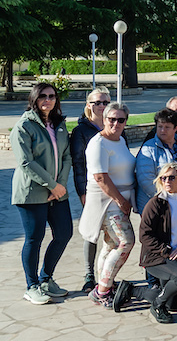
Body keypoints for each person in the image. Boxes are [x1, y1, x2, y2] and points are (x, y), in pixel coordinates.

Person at [116, 163, 177, 323]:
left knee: (174, 305)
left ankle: (132, 290)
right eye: (163, 178)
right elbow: (145, 235)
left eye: (171, 177)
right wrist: (167, 251)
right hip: (157, 256)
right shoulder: (156, 203)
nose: (167, 181)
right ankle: (157, 306)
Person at [12, 83, 73, 305]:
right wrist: (52, 185)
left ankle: (46, 278)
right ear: (34, 99)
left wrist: (60, 185)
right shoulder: (24, 126)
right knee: (34, 239)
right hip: (32, 193)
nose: (48, 100)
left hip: (58, 192)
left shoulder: (59, 124)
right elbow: (26, 162)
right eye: (43, 96)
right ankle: (32, 286)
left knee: (64, 233)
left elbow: (66, 156)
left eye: (52, 96)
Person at [79, 102, 135, 308]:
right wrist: (120, 200)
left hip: (120, 202)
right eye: (112, 119)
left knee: (111, 245)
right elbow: (100, 177)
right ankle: (102, 290)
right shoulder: (98, 143)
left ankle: (105, 285)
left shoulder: (120, 140)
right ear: (104, 119)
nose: (116, 123)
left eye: (121, 120)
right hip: (108, 203)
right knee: (126, 242)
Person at [70, 87, 109, 293]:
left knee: (112, 233)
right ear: (88, 105)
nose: (101, 106)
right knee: (91, 232)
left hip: (113, 187)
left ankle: (107, 274)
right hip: (92, 188)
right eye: (97, 102)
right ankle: (89, 275)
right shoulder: (81, 131)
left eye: (105, 102)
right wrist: (82, 193)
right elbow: (78, 164)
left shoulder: (115, 125)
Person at [136, 108, 177, 215]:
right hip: (158, 206)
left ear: (175, 128)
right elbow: (146, 179)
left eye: (167, 127)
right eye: (160, 126)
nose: (162, 130)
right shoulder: (148, 148)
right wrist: (167, 200)